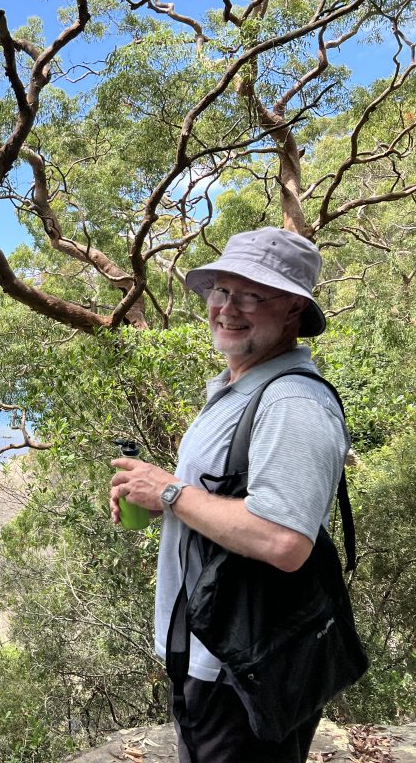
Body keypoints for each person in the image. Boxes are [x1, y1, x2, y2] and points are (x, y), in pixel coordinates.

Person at [109, 227, 350, 763]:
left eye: (251, 295)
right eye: (221, 290)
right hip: (214, 654)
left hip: (242, 669)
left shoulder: (293, 404)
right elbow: (218, 501)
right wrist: (156, 500)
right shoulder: (239, 387)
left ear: (293, 310)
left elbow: (285, 541)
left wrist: (170, 491)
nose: (227, 308)